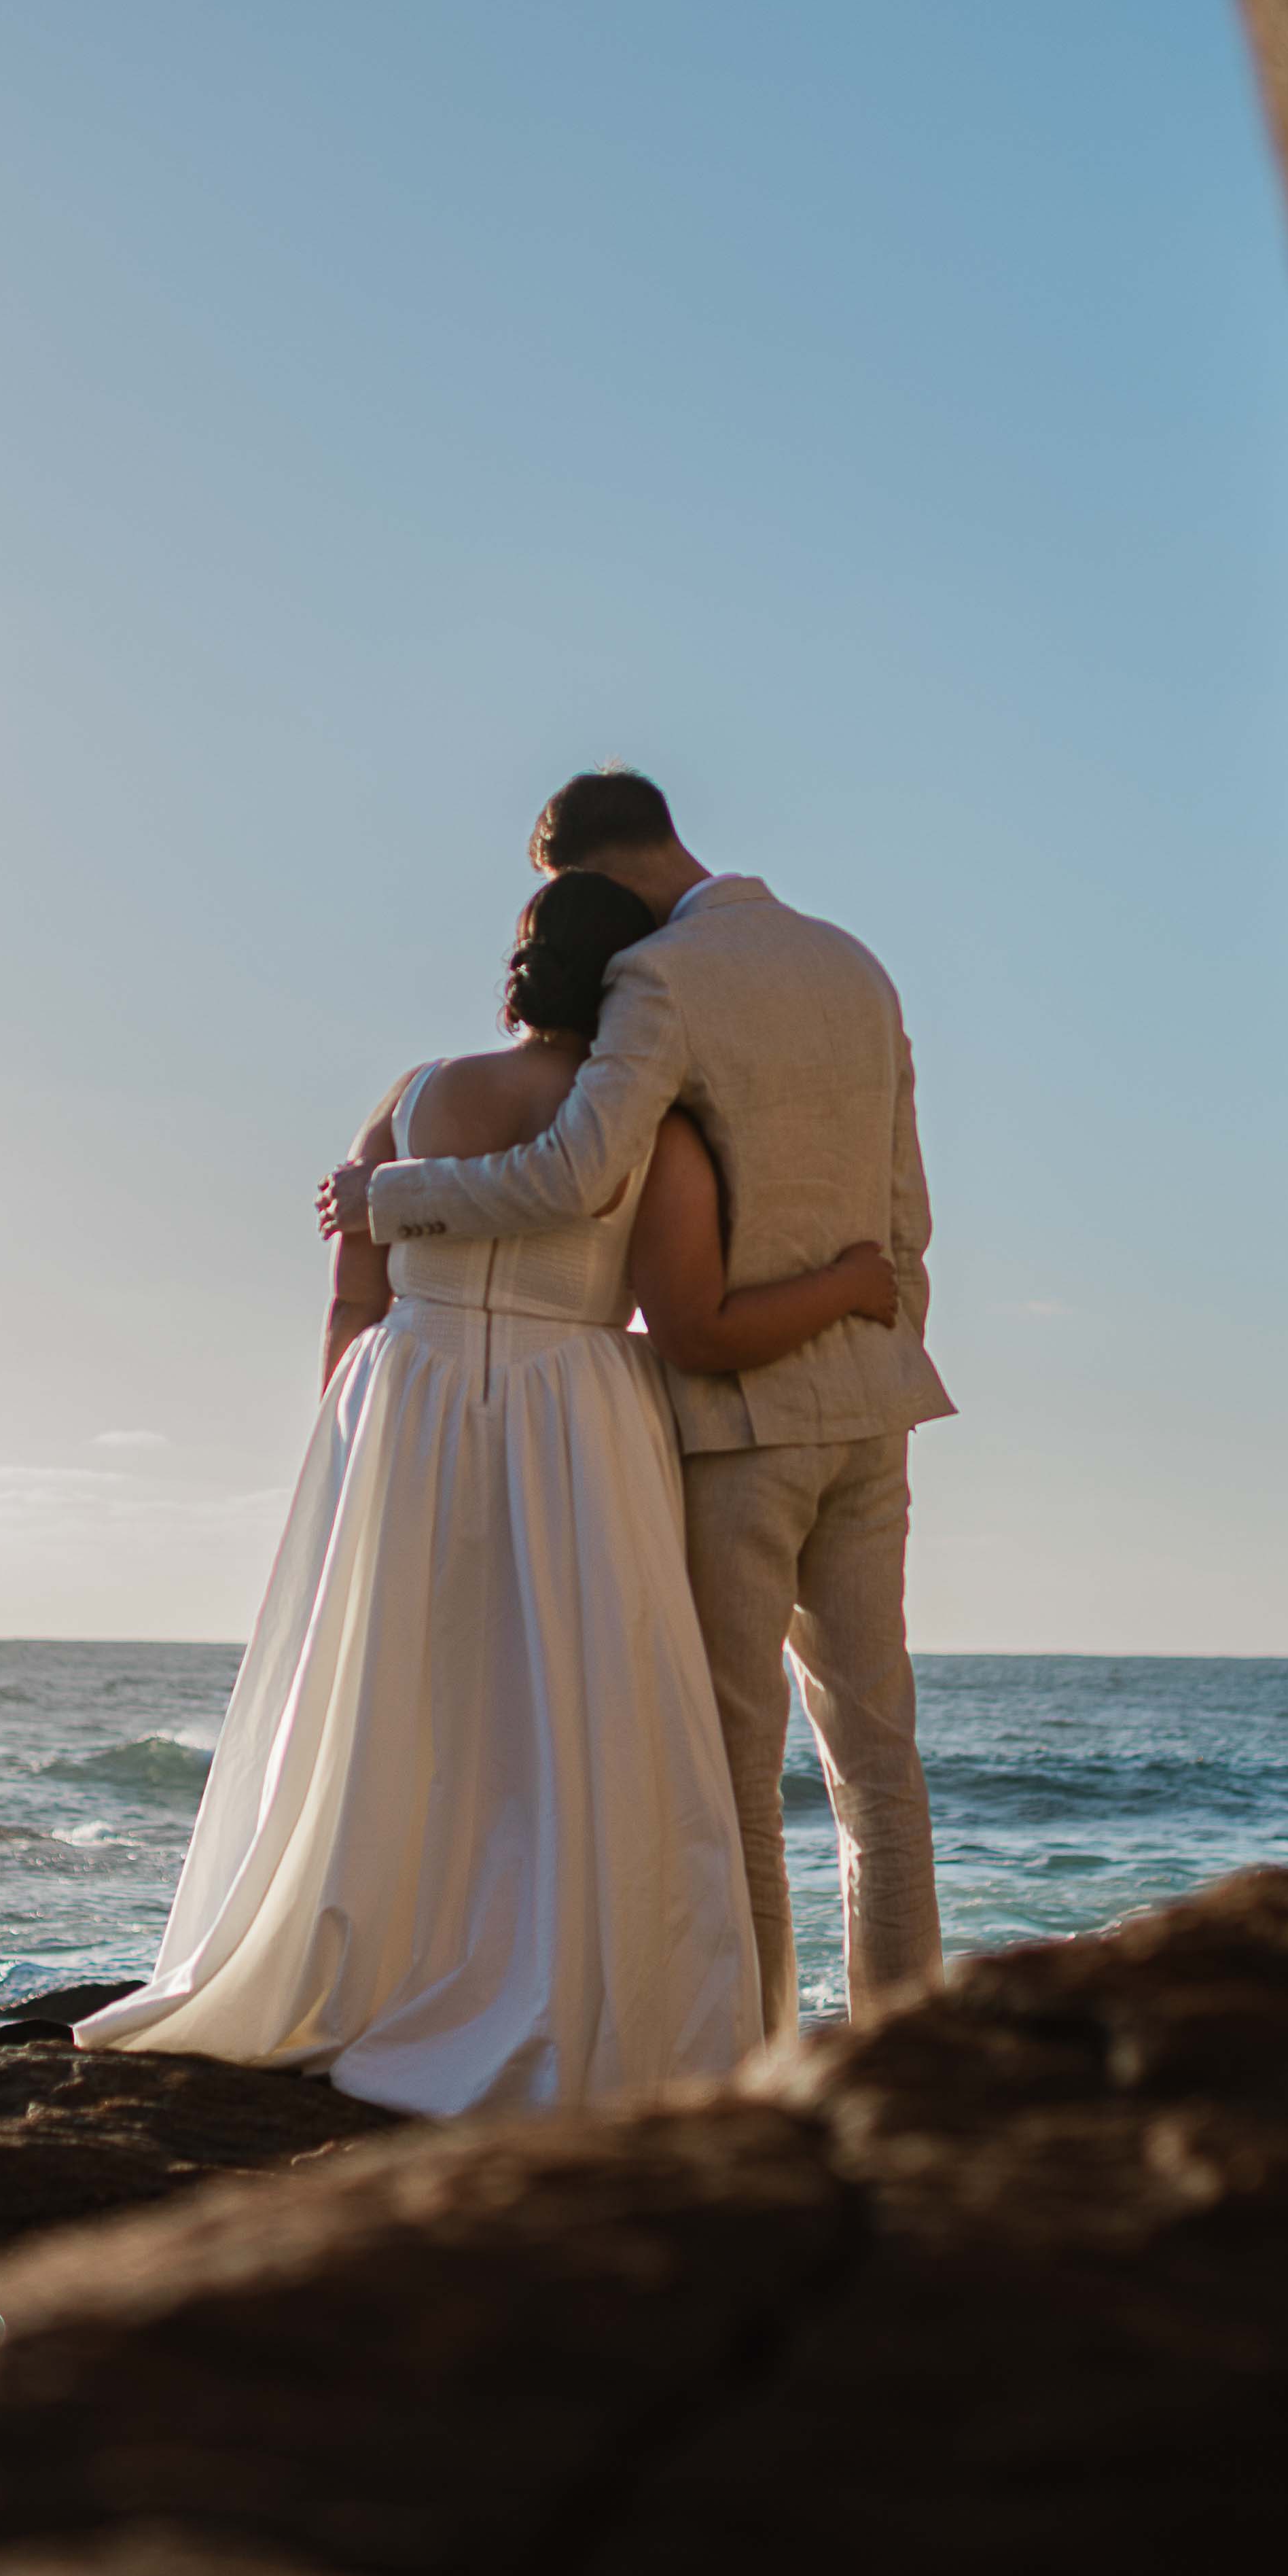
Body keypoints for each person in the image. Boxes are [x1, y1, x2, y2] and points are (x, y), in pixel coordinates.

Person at [73, 870, 904, 2114]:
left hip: (401, 1395)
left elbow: (352, 1295)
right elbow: (692, 1327)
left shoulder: (412, 1098)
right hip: (572, 1414)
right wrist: (848, 1280)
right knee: (556, 1708)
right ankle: (539, 1973)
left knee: (397, 1699)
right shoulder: (657, 1136)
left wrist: (354, 1444)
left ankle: (376, 1950)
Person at [323, 773, 951, 2035]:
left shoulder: (659, 982)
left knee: (734, 1773)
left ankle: (758, 2057)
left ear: (593, 864)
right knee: (879, 1765)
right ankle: (912, 2049)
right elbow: (905, 1209)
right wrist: (882, 1342)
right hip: (872, 1400)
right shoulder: (855, 965)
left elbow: (574, 1170)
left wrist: (388, 1200)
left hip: (740, 1414)